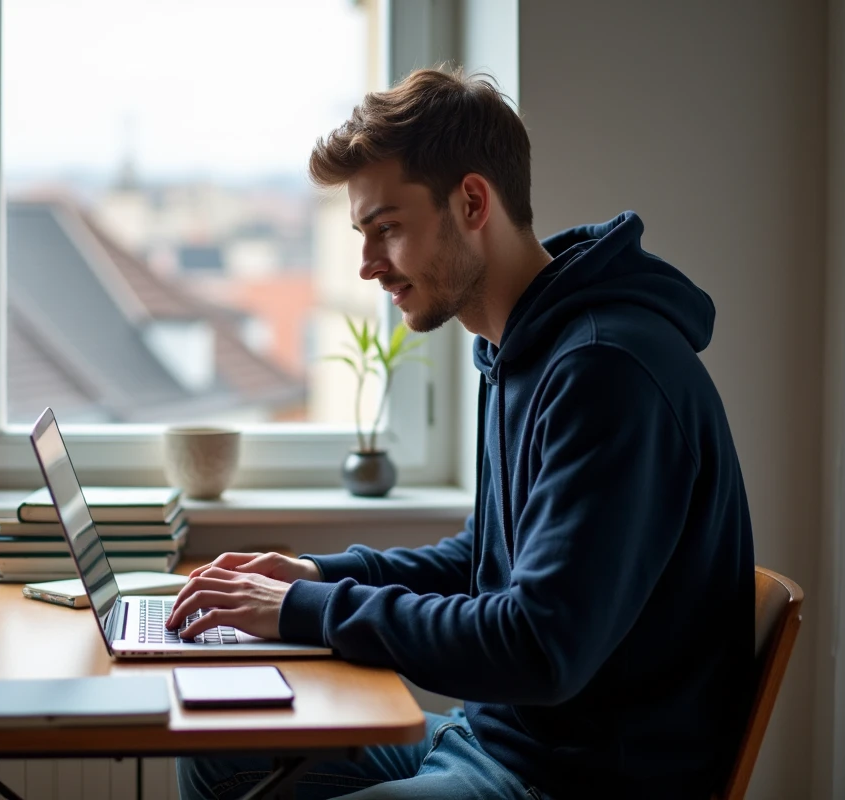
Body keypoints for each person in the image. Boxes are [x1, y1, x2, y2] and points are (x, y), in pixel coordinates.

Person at [167, 66, 755, 800]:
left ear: (472, 201)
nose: (368, 264)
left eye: (388, 228)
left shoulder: (606, 372)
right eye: (361, 233)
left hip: (571, 780)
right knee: (216, 754)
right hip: (495, 740)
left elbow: (539, 646)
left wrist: (303, 612)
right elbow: (484, 560)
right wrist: (315, 577)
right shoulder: (518, 351)